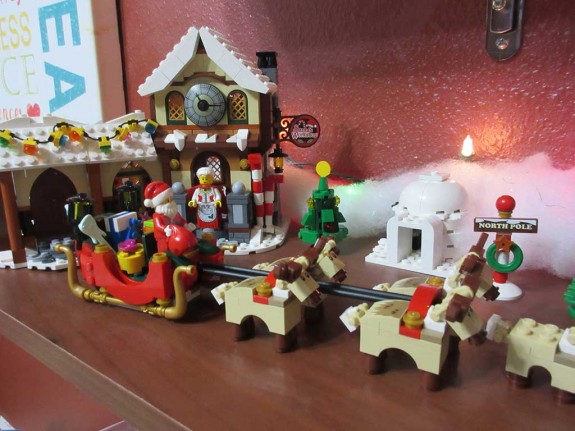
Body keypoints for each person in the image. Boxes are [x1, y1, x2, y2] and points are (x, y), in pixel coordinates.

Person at [144, 181, 195, 255]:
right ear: (159, 203)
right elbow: (158, 226)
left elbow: (180, 220)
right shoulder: (157, 216)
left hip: (174, 236)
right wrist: (165, 229)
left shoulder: (173, 212)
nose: (170, 202)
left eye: (171, 199)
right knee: (164, 250)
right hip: (163, 237)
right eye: (167, 200)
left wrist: (185, 225)